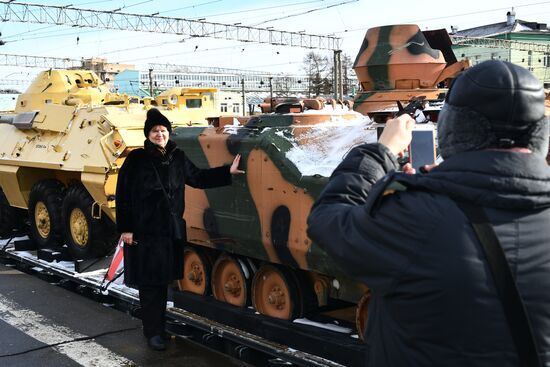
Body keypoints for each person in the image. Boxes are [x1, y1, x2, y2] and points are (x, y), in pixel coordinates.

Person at [307, 60, 550, 366]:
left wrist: (380, 152)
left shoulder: (413, 217)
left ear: (453, 128)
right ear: (541, 133)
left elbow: (329, 219)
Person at [115, 108, 244, 351]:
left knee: (163, 282)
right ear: (148, 134)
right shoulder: (136, 159)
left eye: (163, 130)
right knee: (149, 285)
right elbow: (122, 195)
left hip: (169, 232)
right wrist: (126, 229)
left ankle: (159, 329)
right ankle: (152, 333)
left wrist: (228, 171)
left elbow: (198, 178)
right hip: (144, 232)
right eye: (155, 131)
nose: (160, 134)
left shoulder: (177, 156)